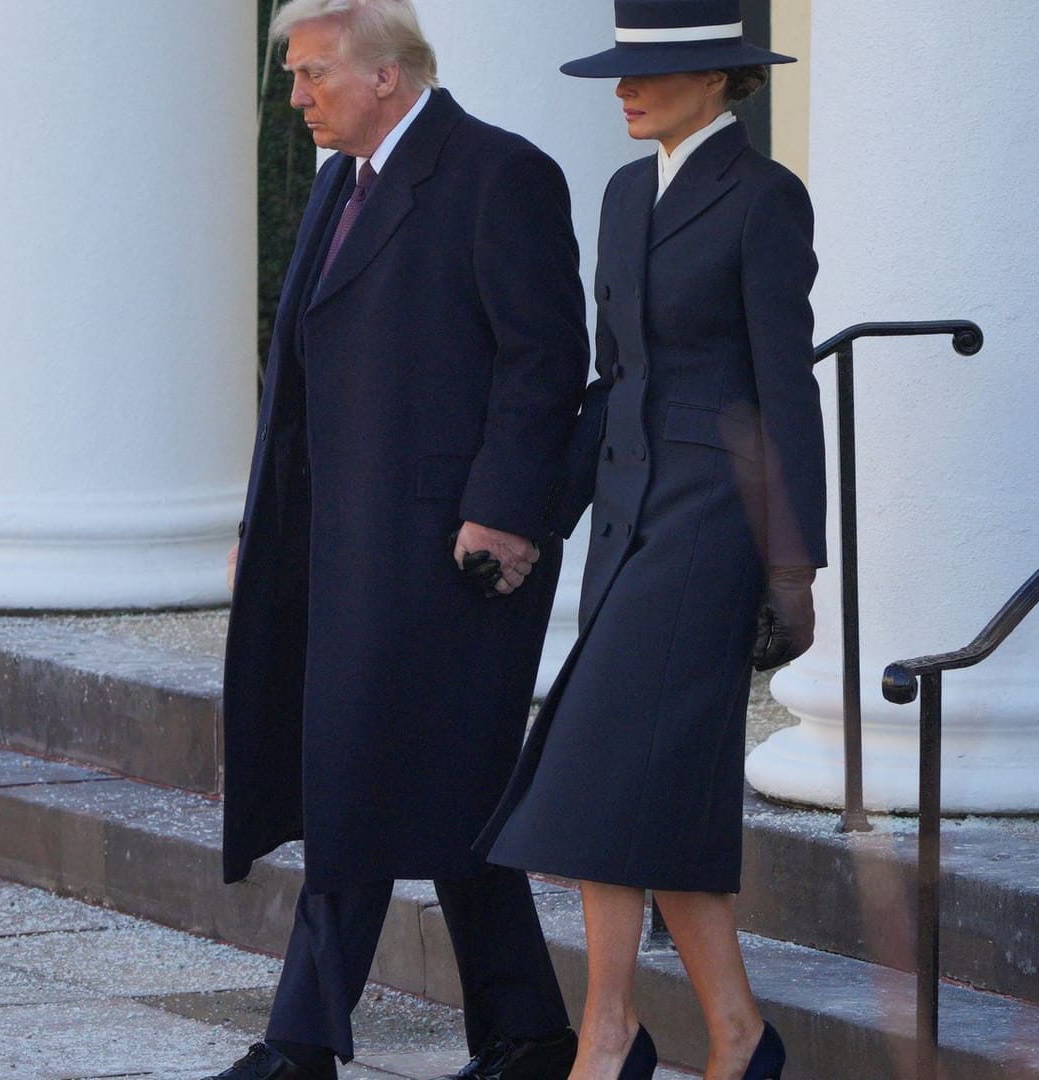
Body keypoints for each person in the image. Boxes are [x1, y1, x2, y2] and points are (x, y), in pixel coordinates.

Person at [211, 2, 591, 1079]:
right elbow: (294, 383)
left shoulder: (498, 173)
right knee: (445, 789)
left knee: (360, 776)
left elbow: (544, 361)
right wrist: (260, 526)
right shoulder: (339, 183)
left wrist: (508, 513)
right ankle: (528, 1035)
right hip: (336, 546)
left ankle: (298, 1046)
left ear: (386, 75)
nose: (295, 99)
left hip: (450, 553)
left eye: (312, 75)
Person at [477, 3, 824, 1080]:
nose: (624, 93)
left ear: (719, 81)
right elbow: (616, 381)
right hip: (627, 522)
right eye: (621, 75)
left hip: (714, 526)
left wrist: (793, 564)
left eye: (651, 75)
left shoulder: (766, 199)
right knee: (647, 791)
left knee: (596, 772)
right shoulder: (628, 192)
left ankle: (609, 1036)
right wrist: (540, 515)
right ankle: (734, 1035)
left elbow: (785, 393)